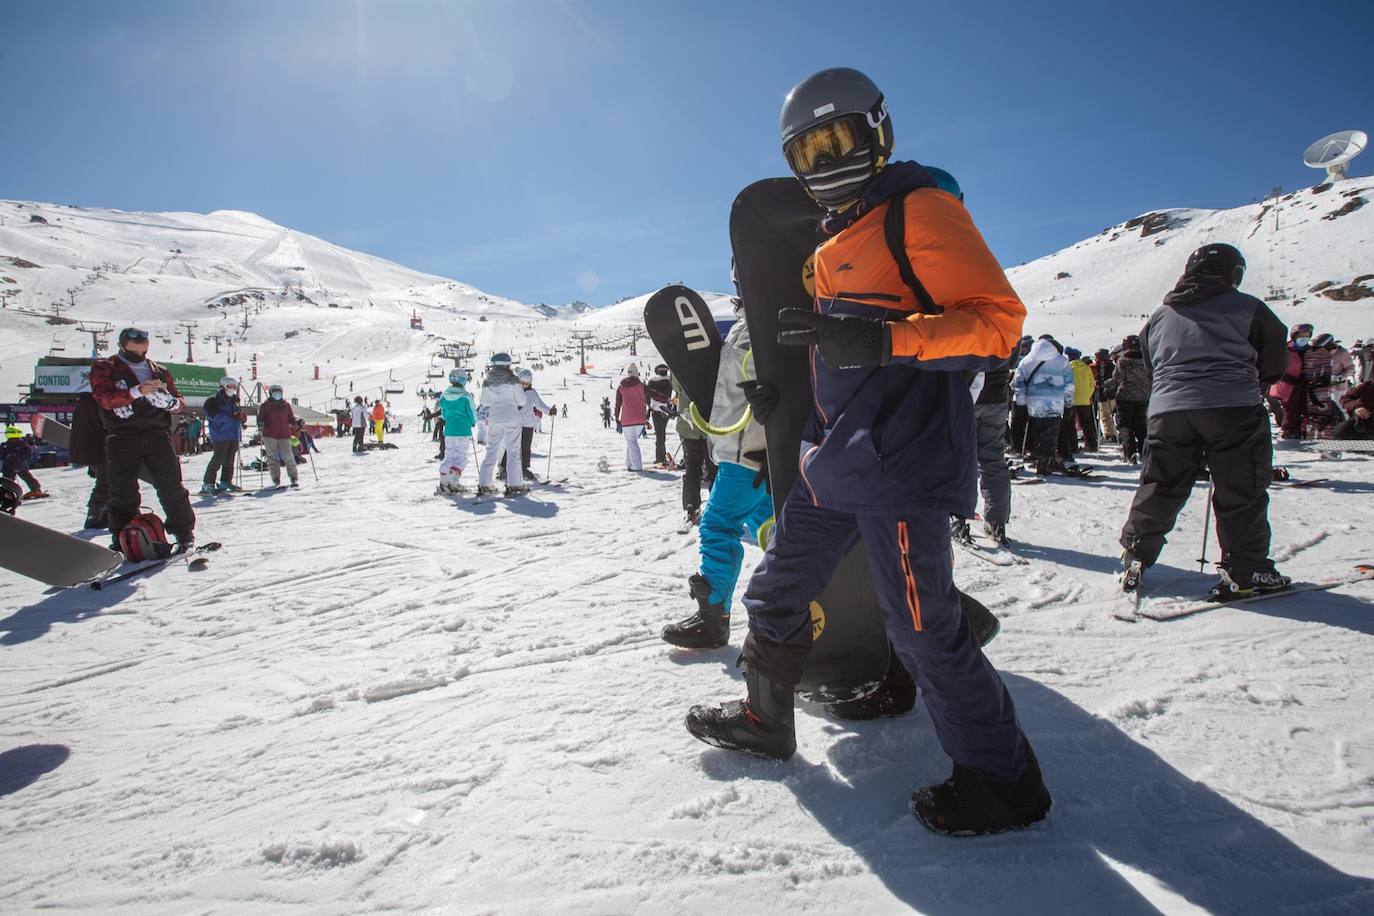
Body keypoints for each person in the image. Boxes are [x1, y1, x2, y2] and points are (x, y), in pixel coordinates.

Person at [690, 68, 1049, 836]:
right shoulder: (833, 241)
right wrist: (789, 395)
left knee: (921, 627)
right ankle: (766, 718)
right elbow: (836, 355)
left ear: (878, 131)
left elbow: (997, 325)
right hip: (837, 459)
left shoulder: (918, 211)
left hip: (904, 464)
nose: (827, 161)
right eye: (808, 151)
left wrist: (885, 338)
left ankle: (1003, 781)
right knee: (775, 589)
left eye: (840, 139)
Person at [1118, 243, 1289, 600]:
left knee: (1161, 484)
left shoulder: (1160, 315)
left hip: (1168, 409)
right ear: (1234, 273)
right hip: (1233, 406)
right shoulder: (1248, 307)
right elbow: (1274, 364)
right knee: (1240, 488)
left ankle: (1136, 553)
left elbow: (1151, 366)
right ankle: (1246, 568)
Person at [662, 310, 771, 650]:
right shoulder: (747, 322)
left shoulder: (764, 320)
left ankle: (712, 621)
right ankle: (815, 604)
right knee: (774, 527)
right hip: (742, 448)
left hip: (748, 452)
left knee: (716, 527)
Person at [89, 327, 196, 553]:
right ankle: (122, 537)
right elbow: (104, 398)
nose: (140, 343)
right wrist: (137, 391)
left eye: (144, 339)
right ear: (122, 344)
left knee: (171, 484)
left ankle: (184, 532)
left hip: (156, 432)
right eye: (134, 339)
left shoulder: (159, 370)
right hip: (122, 434)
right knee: (122, 488)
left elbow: (179, 401)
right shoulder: (106, 367)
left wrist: (169, 403)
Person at [1012, 338, 1074, 475]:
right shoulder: (1062, 361)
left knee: (1037, 433)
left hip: (1034, 403)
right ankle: (1046, 463)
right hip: (1055, 402)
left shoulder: (1026, 361)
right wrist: (1068, 404)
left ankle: (1043, 459)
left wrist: (1021, 403)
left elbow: (1018, 383)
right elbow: (1069, 386)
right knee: (1051, 434)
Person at [477, 352, 527, 497]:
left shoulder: (487, 382)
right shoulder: (514, 380)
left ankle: (485, 483)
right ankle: (514, 484)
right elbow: (522, 401)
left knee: (492, 450)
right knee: (513, 451)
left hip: (495, 419)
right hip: (512, 418)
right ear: (507, 365)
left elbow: (485, 402)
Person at [672, 373, 715, 525]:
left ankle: (691, 506)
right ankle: (717, 507)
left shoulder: (678, 358)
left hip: (688, 425)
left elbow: (675, 386)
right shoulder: (713, 357)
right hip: (712, 423)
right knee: (714, 469)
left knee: (692, 468)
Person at [1106, 336, 1150, 463]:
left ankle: (1129, 453)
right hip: (1144, 397)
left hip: (1126, 397)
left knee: (1125, 425)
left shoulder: (1123, 360)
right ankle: (1144, 453)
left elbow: (1117, 379)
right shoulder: (1147, 359)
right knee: (1141, 426)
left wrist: (1107, 386)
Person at [69, 392, 109, 528]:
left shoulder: (80, 407)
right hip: (102, 450)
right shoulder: (97, 405)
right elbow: (105, 427)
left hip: (90, 452)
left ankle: (104, 514)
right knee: (106, 483)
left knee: (108, 482)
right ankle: (94, 515)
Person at [201, 376, 245, 495]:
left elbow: (236, 415)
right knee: (218, 458)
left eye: (234, 387)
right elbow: (213, 416)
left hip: (233, 434)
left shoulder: (234, 400)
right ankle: (208, 483)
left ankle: (226, 480)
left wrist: (241, 417)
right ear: (223, 386)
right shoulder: (213, 400)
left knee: (230, 459)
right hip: (220, 434)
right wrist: (231, 416)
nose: (231, 389)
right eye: (229, 386)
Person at [437, 368, 477, 493]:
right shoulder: (466, 396)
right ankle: (453, 483)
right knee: (461, 457)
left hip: (449, 430)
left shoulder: (444, 395)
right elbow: (472, 412)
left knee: (449, 455)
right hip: (463, 430)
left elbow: (443, 413)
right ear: (464, 380)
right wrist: (473, 422)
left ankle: (444, 482)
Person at [256, 384, 300, 488]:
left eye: (279, 392)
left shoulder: (285, 405)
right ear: (271, 393)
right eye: (275, 392)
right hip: (270, 434)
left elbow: (291, 419)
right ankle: (275, 479)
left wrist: (297, 423)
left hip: (284, 434)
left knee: (288, 455)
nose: (277, 394)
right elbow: (260, 419)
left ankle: (293, 478)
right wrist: (261, 424)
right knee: (272, 457)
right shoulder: (265, 406)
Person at [516, 368, 552, 482]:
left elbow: (539, 404)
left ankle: (524, 468)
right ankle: (504, 468)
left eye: (527, 383)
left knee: (526, 448)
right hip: (515, 424)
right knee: (512, 448)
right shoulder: (514, 392)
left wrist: (549, 411)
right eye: (522, 383)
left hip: (528, 425)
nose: (524, 386)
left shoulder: (532, 393)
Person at [615, 364, 648, 471]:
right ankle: (629, 463)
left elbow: (618, 404)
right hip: (640, 419)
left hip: (627, 419)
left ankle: (637, 466)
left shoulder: (621, 387)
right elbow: (648, 401)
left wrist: (617, 418)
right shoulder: (642, 386)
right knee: (631, 441)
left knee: (632, 442)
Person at [1065, 347, 1098, 455]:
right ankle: (1092, 444)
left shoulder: (1068, 367)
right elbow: (1092, 383)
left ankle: (1072, 445)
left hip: (1071, 400)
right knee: (1086, 423)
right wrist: (1088, 394)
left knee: (1070, 423)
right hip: (1084, 399)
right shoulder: (1086, 367)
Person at [2, 426, 44, 499]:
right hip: (21, 464)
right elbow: (29, 453)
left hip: (9, 465)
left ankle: (6, 494)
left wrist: (9, 456)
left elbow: (2, 455)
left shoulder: (5, 445)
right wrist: (22, 458)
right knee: (27, 477)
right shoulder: (23, 443)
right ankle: (36, 490)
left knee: (7, 480)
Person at [646, 364, 675, 467]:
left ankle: (660, 457)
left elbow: (647, 395)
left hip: (655, 409)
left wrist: (649, 408)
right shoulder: (670, 381)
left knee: (659, 434)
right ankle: (661, 455)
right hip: (666, 409)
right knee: (662, 432)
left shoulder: (652, 381)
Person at [1094, 348, 1117, 442]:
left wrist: (1098, 383)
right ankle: (1112, 433)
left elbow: (1103, 380)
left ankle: (1110, 434)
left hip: (1105, 395)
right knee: (1110, 415)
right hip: (1113, 394)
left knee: (1105, 415)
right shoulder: (1111, 365)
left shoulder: (1104, 366)